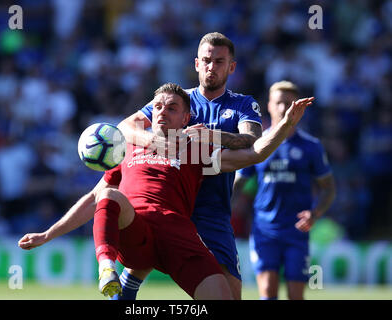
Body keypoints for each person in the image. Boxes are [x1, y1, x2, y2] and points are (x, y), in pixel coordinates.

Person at [18, 83, 314, 299]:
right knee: (109, 195)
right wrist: (48, 234)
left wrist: (285, 125)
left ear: (186, 118)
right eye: (158, 106)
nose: (162, 113)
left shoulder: (196, 148)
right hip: (137, 232)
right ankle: (107, 268)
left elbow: (254, 154)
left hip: (179, 236)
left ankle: (129, 287)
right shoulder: (127, 146)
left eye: (172, 108)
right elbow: (95, 199)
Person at [116, 32, 263, 300]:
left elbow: (252, 142)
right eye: (206, 60)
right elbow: (125, 127)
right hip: (169, 200)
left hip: (212, 207)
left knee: (231, 293)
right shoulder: (177, 100)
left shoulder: (242, 104)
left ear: (231, 67)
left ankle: (130, 279)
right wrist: (157, 143)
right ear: (196, 64)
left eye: (219, 61)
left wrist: (209, 136)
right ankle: (128, 284)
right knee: (144, 254)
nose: (211, 66)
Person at [233, 81, 336, 300]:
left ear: (297, 107)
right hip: (264, 230)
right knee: (268, 293)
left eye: (288, 103)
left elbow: (328, 188)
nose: (283, 108)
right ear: (269, 105)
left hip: (297, 232)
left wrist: (315, 214)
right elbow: (237, 184)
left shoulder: (311, 146)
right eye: (278, 102)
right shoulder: (258, 144)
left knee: (295, 296)